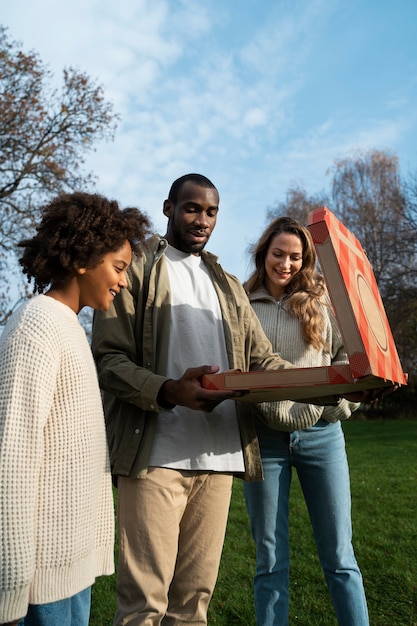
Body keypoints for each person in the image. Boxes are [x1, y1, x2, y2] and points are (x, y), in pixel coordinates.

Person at [91, 173, 295, 626]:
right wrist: (169, 391)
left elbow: (264, 361)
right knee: (144, 606)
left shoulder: (227, 283)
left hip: (220, 458)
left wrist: (335, 385)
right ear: (168, 208)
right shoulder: (136, 266)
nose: (202, 219)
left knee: (192, 609)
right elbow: (108, 360)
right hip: (154, 457)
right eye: (191, 208)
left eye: (211, 211)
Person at [0, 191, 151, 626]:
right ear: (84, 259)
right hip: (38, 583)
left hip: (70, 570)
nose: (123, 282)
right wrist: (9, 590)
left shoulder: (69, 327)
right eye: (118, 267)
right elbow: (12, 458)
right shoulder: (36, 326)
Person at [242, 216, 370, 626]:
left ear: (306, 259)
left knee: (339, 555)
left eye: (295, 256)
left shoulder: (323, 301)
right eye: (278, 254)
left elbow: (349, 361)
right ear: (263, 255)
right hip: (266, 441)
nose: (286, 263)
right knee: (270, 558)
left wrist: (333, 409)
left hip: (321, 436)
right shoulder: (242, 305)